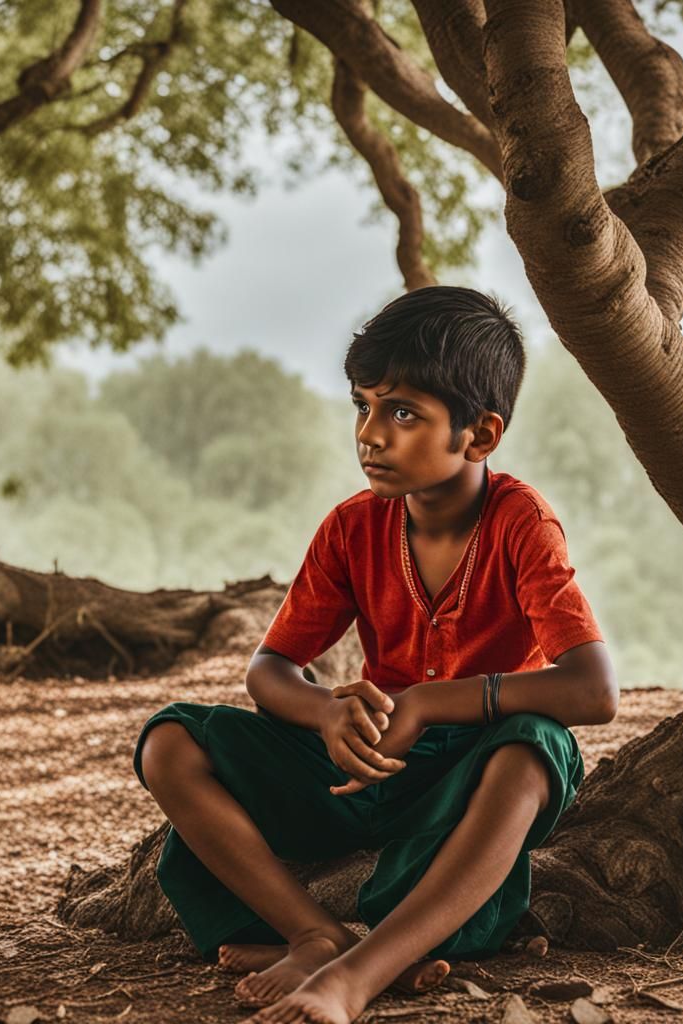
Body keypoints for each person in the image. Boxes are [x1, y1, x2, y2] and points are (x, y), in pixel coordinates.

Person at [133, 285, 618, 1024]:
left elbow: (593, 691)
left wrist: (430, 703)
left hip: (468, 777)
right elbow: (268, 671)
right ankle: (314, 935)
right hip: (365, 761)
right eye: (362, 406)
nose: (370, 434)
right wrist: (327, 715)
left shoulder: (520, 522)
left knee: (534, 751)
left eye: (403, 414)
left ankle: (357, 976)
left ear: (479, 435)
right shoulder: (352, 528)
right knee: (170, 742)